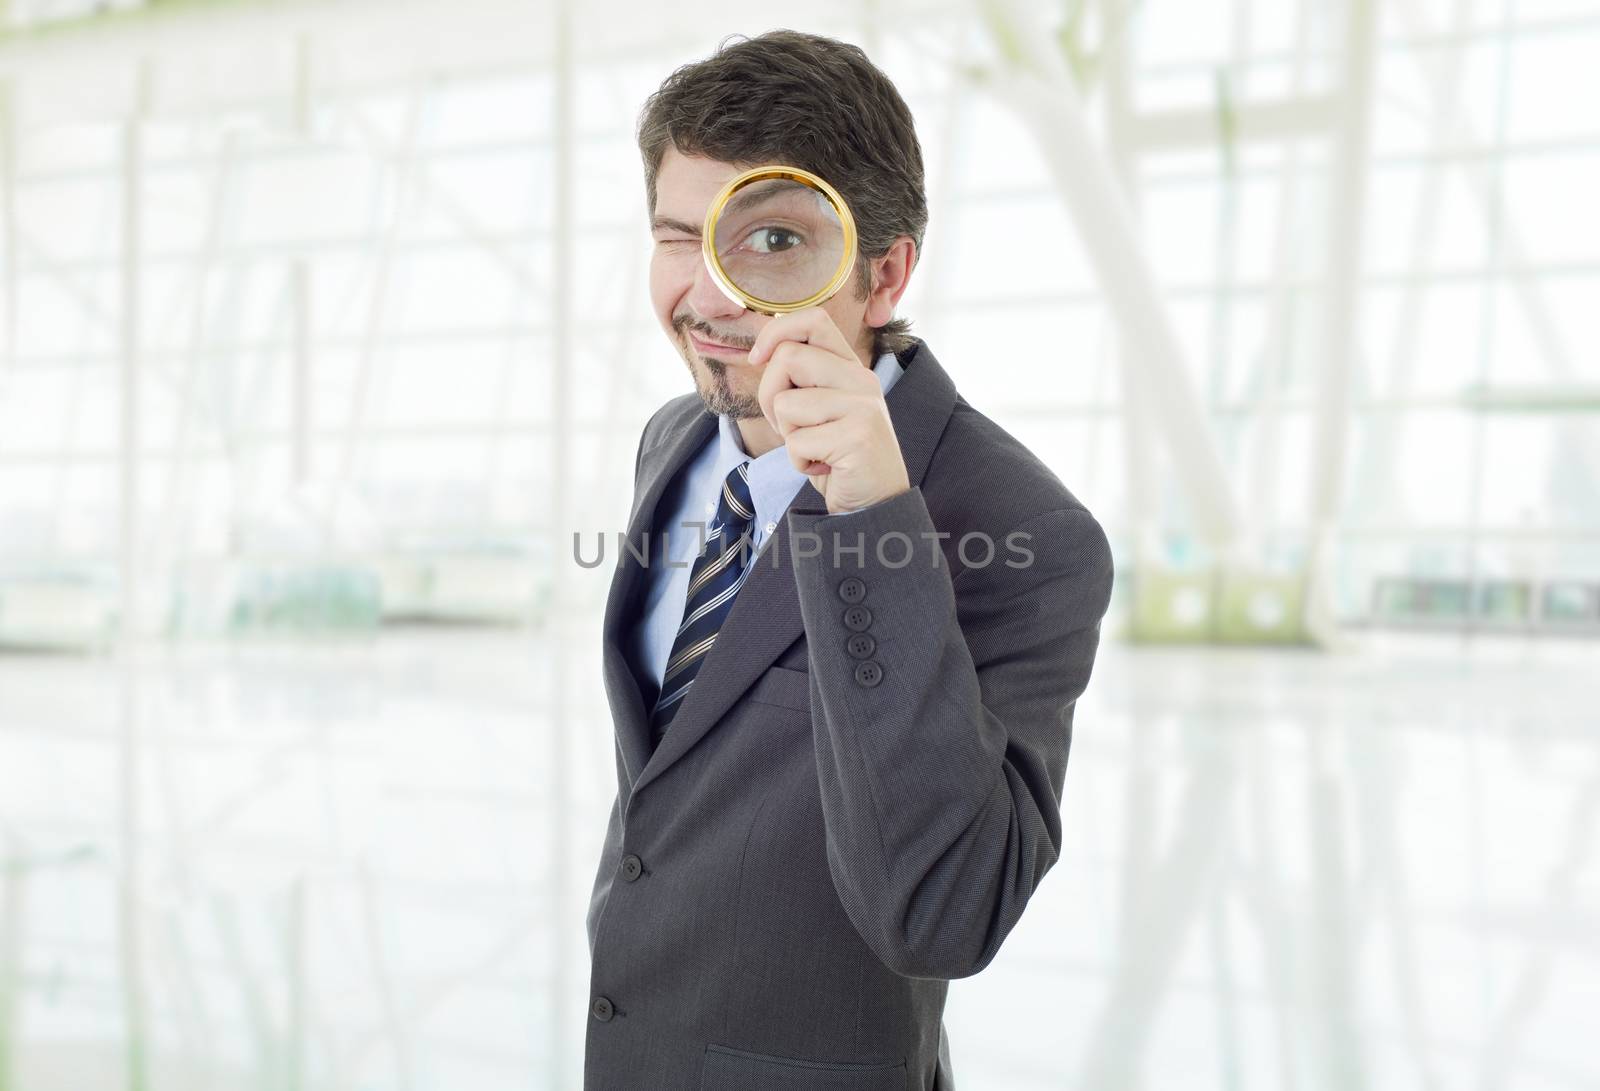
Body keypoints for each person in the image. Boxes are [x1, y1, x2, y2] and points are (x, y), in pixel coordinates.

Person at [584, 28, 1114, 1090]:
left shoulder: (1031, 536)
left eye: (771, 242)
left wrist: (871, 516)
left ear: (882, 271)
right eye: (680, 237)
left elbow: (945, 909)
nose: (709, 293)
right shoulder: (674, 440)